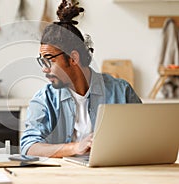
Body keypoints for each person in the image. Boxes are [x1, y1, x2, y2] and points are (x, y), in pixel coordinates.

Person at [20, 0, 142, 158]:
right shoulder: (44, 99)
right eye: (42, 61)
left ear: (73, 58)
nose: (44, 68)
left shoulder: (121, 91)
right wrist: (75, 148)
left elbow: (146, 136)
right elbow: (28, 147)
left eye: (49, 60)